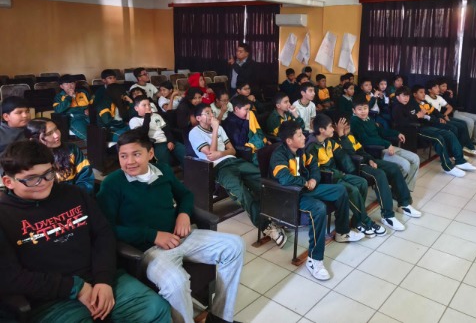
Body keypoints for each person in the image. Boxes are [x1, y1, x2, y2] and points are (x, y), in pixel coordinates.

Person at [0, 140, 171, 322]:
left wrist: (103, 279)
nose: (43, 183)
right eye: (32, 179)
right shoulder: (4, 215)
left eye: (48, 173)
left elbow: (103, 235)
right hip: (51, 299)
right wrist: (75, 287)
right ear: (8, 182)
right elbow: (10, 276)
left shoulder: (74, 194)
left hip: (101, 278)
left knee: (155, 309)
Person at [97, 131, 244, 323]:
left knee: (234, 245)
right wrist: (152, 235)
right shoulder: (112, 184)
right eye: (123, 156)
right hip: (148, 249)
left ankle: (219, 317)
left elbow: (186, 195)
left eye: (136, 154)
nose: (129, 161)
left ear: (150, 153)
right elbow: (107, 229)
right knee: (176, 283)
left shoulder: (163, 171)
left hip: (180, 236)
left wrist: (183, 214)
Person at [270, 121, 364, 281]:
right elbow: (285, 179)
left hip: (307, 188)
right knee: (319, 208)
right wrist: (305, 182)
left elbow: (313, 164)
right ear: (289, 141)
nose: (304, 137)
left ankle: (342, 232)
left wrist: (313, 179)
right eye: (299, 135)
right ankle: (314, 259)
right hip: (291, 195)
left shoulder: (300, 151)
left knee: (340, 190)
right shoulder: (279, 155)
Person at [188, 103, 286, 248]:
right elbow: (211, 155)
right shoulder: (195, 133)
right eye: (207, 113)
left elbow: (232, 150)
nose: (211, 115)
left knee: (262, 180)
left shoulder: (220, 128)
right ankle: (267, 227)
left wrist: (221, 153)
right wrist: (215, 131)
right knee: (241, 193)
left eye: (211, 112)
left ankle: (277, 216)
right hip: (219, 168)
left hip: (234, 161)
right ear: (198, 118)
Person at [307, 114, 386, 238]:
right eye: (330, 127)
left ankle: (357, 221)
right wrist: (340, 174)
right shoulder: (312, 147)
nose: (333, 129)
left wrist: (352, 173)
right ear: (322, 130)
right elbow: (317, 170)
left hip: (337, 174)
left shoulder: (329, 142)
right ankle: (366, 221)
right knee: (352, 190)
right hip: (327, 179)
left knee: (362, 182)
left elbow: (344, 156)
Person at [333, 115, 421, 227]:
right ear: (336, 127)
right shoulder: (335, 140)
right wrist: (341, 135)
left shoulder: (350, 136)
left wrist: (370, 159)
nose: (347, 130)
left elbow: (361, 150)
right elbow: (349, 154)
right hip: (356, 167)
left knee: (393, 168)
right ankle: (387, 216)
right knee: (379, 174)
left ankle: (404, 204)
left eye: (348, 127)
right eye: (343, 127)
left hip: (365, 161)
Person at [392, 86, 476, 178]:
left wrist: (426, 116)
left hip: (423, 126)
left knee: (449, 134)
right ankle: (448, 167)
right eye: (403, 96)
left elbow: (423, 114)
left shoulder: (411, 104)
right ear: (398, 97)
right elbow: (401, 122)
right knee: (438, 138)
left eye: (407, 96)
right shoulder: (397, 108)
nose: (406, 98)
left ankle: (460, 161)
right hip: (413, 130)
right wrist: (417, 116)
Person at [351, 99, 420, 191]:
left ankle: (405, 188)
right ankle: (398, 189)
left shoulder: (368, 119)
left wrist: (397, 133)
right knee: (405, 165)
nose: (363, 111)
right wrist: (387, 144)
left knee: (415, 158)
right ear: (354, 110)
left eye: (365, 108)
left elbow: (381, 131)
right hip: (375, 150)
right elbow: (365, 140)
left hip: (385, 146)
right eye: (360, 109)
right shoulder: (355, 121)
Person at [24, 118, 95, 194]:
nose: (56, 135)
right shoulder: (29, 160)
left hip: (75, 195)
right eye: (49, 134)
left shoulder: (71, 149)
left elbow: (86, 178)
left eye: (56, 129)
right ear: (34, 140)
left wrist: (74, 196)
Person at [129, 96, 186, 167]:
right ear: (136, 108)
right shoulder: (134, 120)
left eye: (149, 104)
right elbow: (142, 134)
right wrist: (147, 116)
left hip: (167, 140)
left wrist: (170, 141)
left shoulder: (156, 116)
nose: (148, 107)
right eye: (144, 105)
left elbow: (166, 130)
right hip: (156, 144)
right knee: (164, 163)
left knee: (185, 153)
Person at [438, 77, 476, 146]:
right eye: (443, 86)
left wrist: (451, 96)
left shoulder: (446, 94)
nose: (445, 88)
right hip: (451, 114)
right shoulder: (438, 97)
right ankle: (466, 143)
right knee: (470, 121)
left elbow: (454, 105)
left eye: (446, 86)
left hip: (455, 111)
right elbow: (443, 109)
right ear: (438, 86)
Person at [221, 95, 266, 166]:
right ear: (236, 109)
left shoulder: (245, 116)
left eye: (249, 109)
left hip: (255, 147)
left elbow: (256, 130)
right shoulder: (230, 122)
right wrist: (247, 121)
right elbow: (240, 142)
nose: (249, 112)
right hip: (244, 153)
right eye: (246, 109)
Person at [53, 74, 91, 141]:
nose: (70, 86)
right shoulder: (59, 97)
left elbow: (93, 103)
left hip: (88, 116)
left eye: (72, 83)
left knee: (100, 130)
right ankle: (95, 146)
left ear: (75, 84)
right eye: (67, 84)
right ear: (61, 86)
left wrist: (90, 109)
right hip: (73, 118)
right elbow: (58, 110)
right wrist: (69, 97)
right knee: (88, 136)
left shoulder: (83, 92)